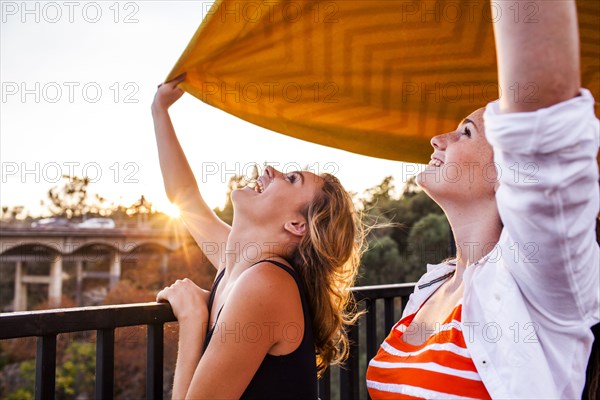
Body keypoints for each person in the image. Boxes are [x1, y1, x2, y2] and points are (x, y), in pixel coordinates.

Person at [366, 1, 599, 399]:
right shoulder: (431, 284)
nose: (438, 139)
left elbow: (544, 130)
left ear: (509, 174)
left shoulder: (536, 278)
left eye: (466, 133)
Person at [151, 74, 364, 399]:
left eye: (291, 179)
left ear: (297, 225)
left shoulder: (266, 284)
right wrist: (160, 110)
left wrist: (194, 317)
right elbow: (184, 197)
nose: (269, 170)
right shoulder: (240, 264)